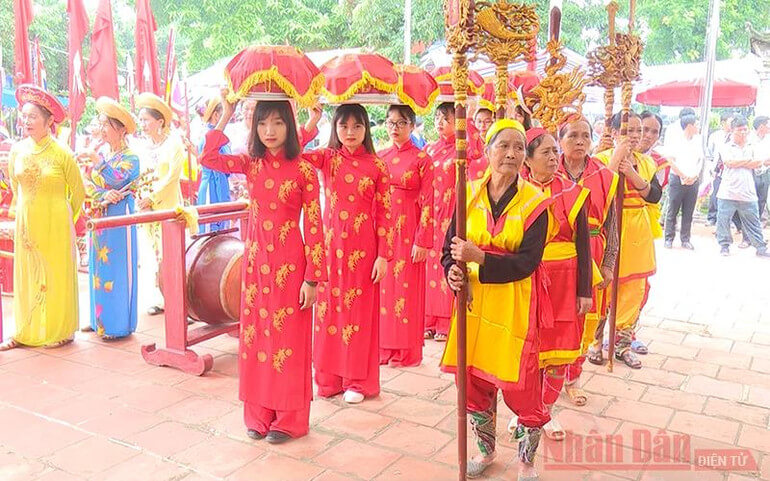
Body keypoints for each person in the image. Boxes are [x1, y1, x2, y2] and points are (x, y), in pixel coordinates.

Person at [200, 91, 325, 444]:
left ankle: (289, 419)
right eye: (263, 122)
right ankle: (258, 414)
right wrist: (225, 112)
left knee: (288, 340)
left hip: (291, 266)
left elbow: (315, 226)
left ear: (290, 126)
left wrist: (313, 278)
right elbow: (208, 157)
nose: (270, 130)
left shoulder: (304, 170)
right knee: (256, 340)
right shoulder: (250, 164)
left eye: (278, 122)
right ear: (254, 127)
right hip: (256, 267)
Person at [440, 119, 551, 480]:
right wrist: (452, 271)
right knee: (472, 381)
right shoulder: (467, 192)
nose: (511, 154)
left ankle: (526, 461)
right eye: (503, 145)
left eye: (519, 147)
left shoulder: (536, 202)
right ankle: (487, 451)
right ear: (487, 151)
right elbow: (449, 249)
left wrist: (480, 258)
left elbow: (527, 263)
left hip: (514, 304)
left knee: (520, 386)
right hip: (472, 306)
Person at [306, 104, 393, 404]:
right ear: (336, 129)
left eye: (357, 126)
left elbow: (385, 213)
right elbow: (297, 153)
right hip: (330, 251)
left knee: (359, 314)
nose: (351, 132)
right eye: (344, 126)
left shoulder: (377, 166)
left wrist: (384, 255)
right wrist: (312, 121)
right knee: (328, 312)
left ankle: (358, 381)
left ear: (367, 129)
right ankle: (329, 378)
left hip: (363, 250)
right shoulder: (328, 159)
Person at [519, 128, 592, 442]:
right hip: (526, 281)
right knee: (528, 353)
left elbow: (584, 244)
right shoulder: (516, 191)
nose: (553, 158)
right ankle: (525, 412)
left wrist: (585, 291)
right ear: (528, 158)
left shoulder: (573, 193)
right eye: (545, 152)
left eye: (554, 151)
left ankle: (545, 413)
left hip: (565, 281)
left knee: (559, 354)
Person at [0, 85, 85, 350]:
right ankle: (25, 331)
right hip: (28, 221)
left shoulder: (62, 154)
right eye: (24, 116)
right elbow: (15, 186)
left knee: (57, 274)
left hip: (57, 222)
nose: (26, 121)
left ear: (49, 122)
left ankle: (61, 330)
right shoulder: (17, 151)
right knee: (27, 275)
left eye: (33, 116)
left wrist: (64, 218)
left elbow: (79, 193)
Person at [557, 116, 619, 404]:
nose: (579, 141)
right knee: (556, 318)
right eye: (572, 136)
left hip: (592, 252)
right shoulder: (548, 169)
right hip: (556, 254)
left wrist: (608, 263)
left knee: (585, 319)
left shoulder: (603, 176)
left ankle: (574, 378)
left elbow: (612, 224)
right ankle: (552, 376)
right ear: (560, 140)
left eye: (585, 135)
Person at [595, 112, 663, 369]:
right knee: (603, 287)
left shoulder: (646, 163)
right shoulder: (600, 159)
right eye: (629, 131)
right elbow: (596, 191)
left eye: (638, 131)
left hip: (637, 232)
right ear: (614, 133)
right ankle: (596, 342)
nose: (635, 136)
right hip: (610, 228)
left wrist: (633, 174)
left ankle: (621, 344)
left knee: (633, 291)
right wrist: (614, 162)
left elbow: (654, 195)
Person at [378, 105, 434, 367]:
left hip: (409, 229)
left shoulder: (422, 159)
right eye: (390, 123)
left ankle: (406, 352)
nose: (395, 128)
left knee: (406, 291)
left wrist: (423, 240)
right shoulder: (380, 157)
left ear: (412, 126)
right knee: (384, 291)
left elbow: (429, 201)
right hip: (383, 231)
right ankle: (384, 348)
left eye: (401, 123)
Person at [424, 102, 483, 341]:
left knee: (448, 263)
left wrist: (467, 119)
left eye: (446, 118)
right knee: (431, 267)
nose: (440, 122)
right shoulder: (430, 149)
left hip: (451, 213)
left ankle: (446, 322)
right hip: (431, 213)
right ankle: (428, 318)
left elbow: (478, 152)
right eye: (437, 117)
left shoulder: (462, 149)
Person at [84, 97, 141, 339]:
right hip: (100, 216)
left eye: (106, 125)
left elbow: (119, 179)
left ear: (121, 129)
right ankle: (99, 321)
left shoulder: (132, 158)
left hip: (120, 220)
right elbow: (88, 183)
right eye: (101, 124)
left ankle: (117, 324)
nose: (102, 129)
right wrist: (103, 194)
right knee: (98, 268)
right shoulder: (103, 154)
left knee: (117, 268)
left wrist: (100, 164)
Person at [135, 92, 185, 316]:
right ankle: (159, 296)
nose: (142, 124)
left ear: (160, 121)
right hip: (147, 208)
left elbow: (171, 177)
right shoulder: (143, 147)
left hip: (167, 206)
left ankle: (180, 299)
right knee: (151, 253)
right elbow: (140, 175)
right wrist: (140, 196)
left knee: (170, 253)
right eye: (141, 120)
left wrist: (152, 197)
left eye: (146, 120)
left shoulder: (174, 144)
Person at [715, 116, 770, 257]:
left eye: (745, 129)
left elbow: (758, 162)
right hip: (727, 192)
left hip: (748, 192)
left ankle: (761, 247)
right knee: (723, 221)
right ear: (733, 131)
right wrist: (748, 162)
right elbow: (728, 162)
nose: (743, 133)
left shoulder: (752, 146)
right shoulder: (725, 146)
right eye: (740, 130)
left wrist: (740, 162)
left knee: (754, 222)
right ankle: (724, 246)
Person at [662, 112, 704, 250]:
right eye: (696, 124)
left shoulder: (698, 140)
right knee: (673, 209)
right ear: (689, 126)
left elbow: (700, 160)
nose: (698, 127)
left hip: (693, 180)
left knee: (688, 211)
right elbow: (670, 161)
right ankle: (669, 238)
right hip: (677, 178)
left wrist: (695, 176)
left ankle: (685, 239)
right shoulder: (676, 140)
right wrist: (682, 175)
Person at [196, 98, 232, 232]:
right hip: (213, 186)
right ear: (217, 115)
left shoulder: (211, 134)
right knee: (212, 229)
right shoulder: (211, 136)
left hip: (218, 183)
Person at [707, 113, 734, 226]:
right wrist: (710, 168)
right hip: (717, 169)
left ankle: (729, 219)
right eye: (730, 122)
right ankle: (712, 217)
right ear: (723, 123)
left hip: (730, 171)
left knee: (730, 195)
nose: (732, 125)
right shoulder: (715, 136)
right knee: (715, 193)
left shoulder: (735, 136)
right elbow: (709, 153)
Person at [750, 116, 770, 224]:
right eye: (768, 125)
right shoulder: (749, 138)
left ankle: (756, 223)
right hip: (751, 172)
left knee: (762, 199)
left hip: (765, 172)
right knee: (749, 199)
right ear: (761, 126)